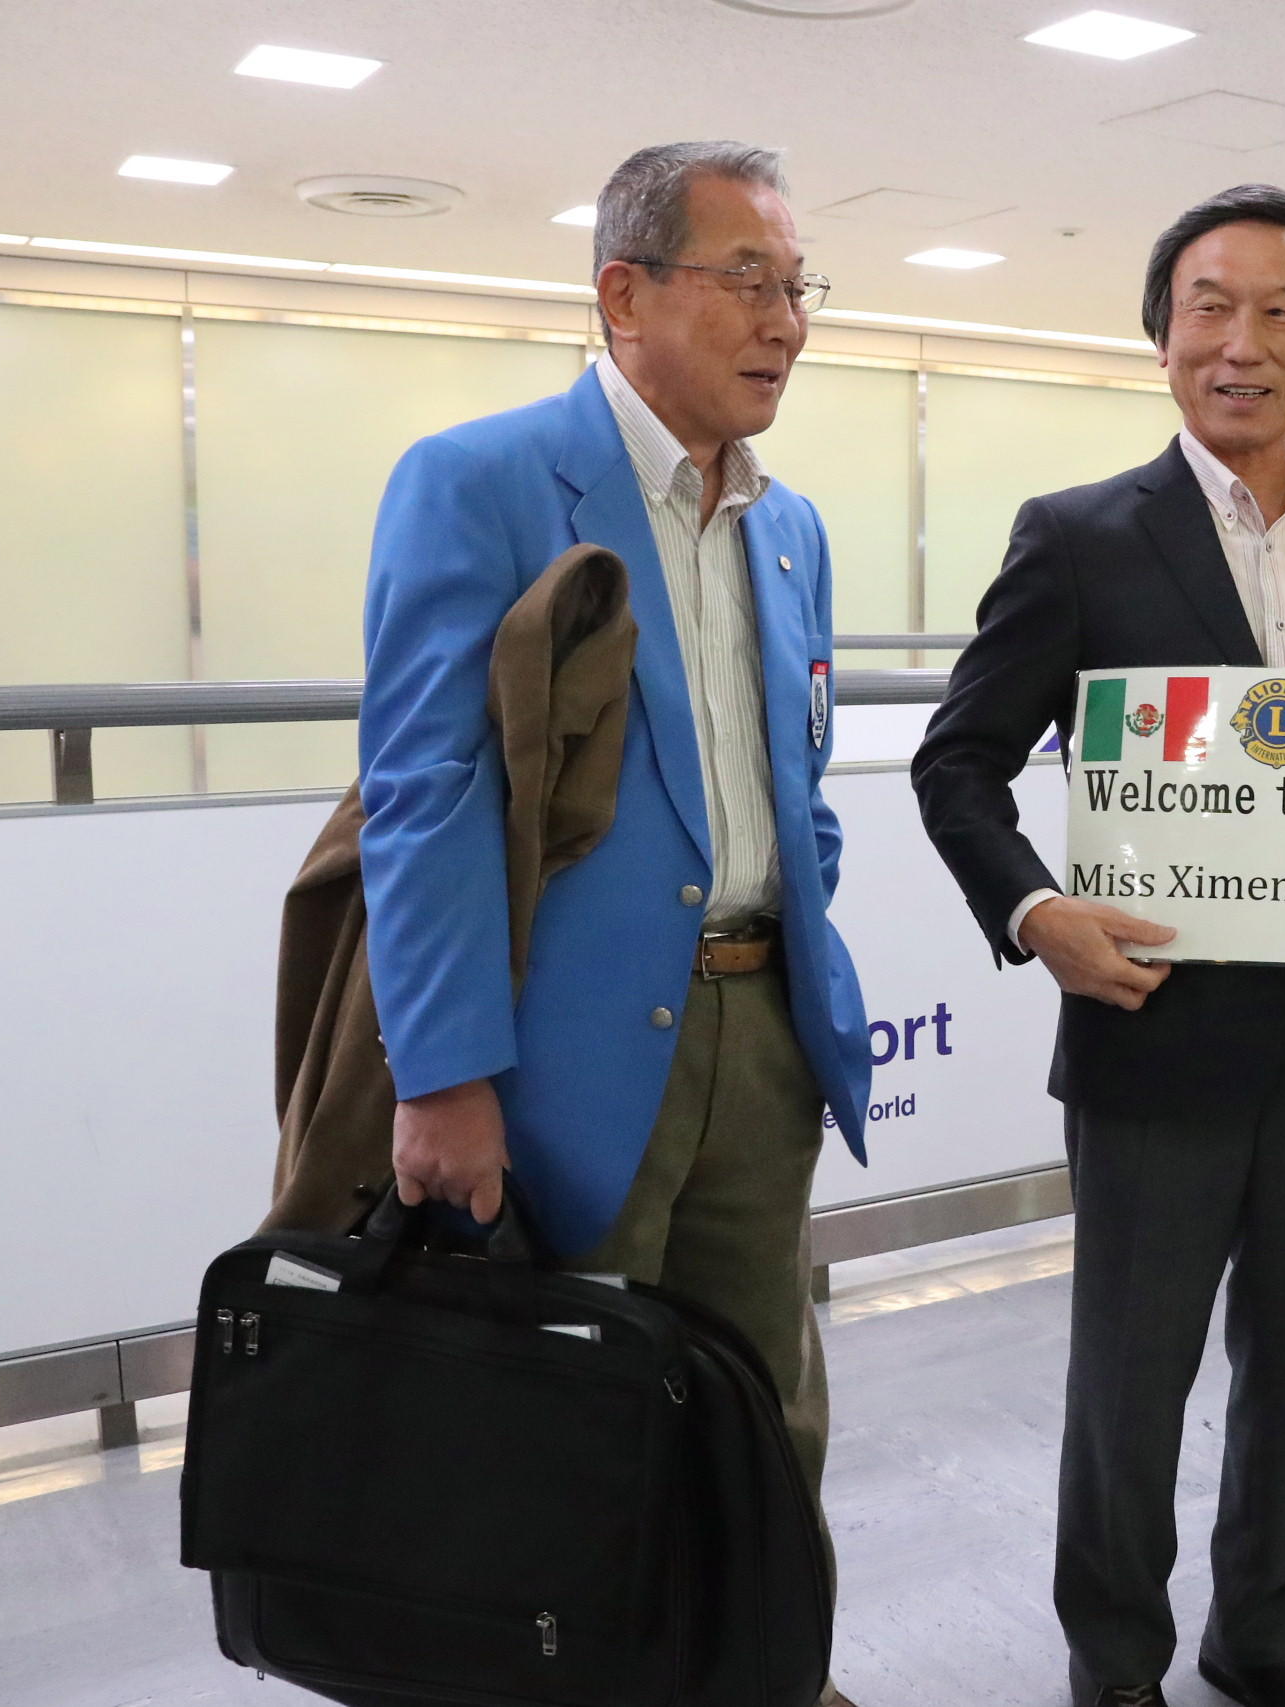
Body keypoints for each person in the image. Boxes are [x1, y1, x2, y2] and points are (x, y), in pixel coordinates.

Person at [911, 184, 1285, 1707]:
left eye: (1277, 313)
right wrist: (1037, 912)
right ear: (1162, 335)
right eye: (1210, 307)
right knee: (1131, 1381)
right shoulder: (1077, 538)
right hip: (1153, 1029)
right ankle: (1116, 1660)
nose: (1241, 343)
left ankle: (1262, 1635)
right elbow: (959, 762)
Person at [359, 141, 873, 1705]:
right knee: (567, 1427)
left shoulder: (790, 526)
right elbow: (425, 792)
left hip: (761, 1032)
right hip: (561, 1056)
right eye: (748, 280)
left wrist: (801, 935)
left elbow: (796, 776)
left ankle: (766, 1669)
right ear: (623, 294)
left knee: (765, 1404)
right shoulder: (485, 481)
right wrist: (444, 1070)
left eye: (799, 287)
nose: (784, 320)